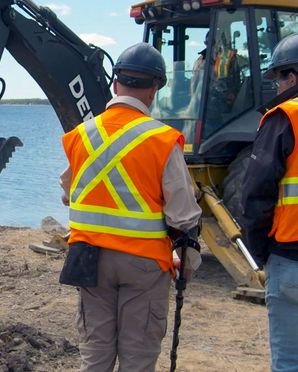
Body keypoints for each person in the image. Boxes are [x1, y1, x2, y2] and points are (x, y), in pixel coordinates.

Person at [58, 43, 202, 372]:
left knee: (95, 353)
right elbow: (183, 215)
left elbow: (68, 192)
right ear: (155, 89)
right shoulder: (162, 139)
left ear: (114, 83)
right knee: (137, 357)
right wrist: (189, 261)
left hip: (89, 260)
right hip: (144, 263)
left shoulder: (82, 135)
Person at [240, 34, 298, 371]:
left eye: (277, 78)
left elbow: (256, 195)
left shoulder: (284, 117)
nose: (276, 87)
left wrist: (261, 252)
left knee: (290, 361)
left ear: (292, 77)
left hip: (290, 256)